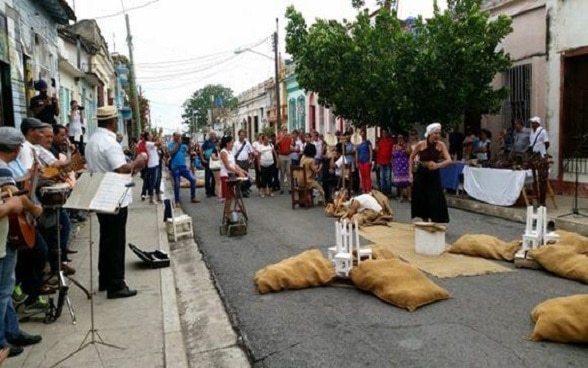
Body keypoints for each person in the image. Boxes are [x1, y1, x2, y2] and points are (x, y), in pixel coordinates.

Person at [85, 105, 148, 299]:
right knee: (115, 242)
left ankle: (105, 279)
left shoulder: (93, 140)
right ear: (113, 122)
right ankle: (116, 284)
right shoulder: (109, 143)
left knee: (106, 239)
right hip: (113, 195)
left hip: (101, 193)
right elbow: (121, 169)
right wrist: (139, 161)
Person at [0, 127, 43, 359]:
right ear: (16, 148)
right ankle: (2, 340)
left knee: (5, 288)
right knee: (4, 289)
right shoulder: (2, 167)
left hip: (5, 233)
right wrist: (33, 209)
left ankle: (12, 331)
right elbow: (16, 197)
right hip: (4, 235)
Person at [409, 123, 451, 223]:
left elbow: (448, 160)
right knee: (422, 196)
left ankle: (436, 219)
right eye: (435, 133)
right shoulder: (421, 144)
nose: (437, 135)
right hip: (422, 173)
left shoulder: (441, 145)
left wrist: (438, 165)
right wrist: (410, 173)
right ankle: (425, 219)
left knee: (436, 197)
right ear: (430, 134)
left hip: (434, 174)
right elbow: (411, 157)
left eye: (439, 133)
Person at [219, 135, 248, 219]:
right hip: (225, 175)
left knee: (231, 196)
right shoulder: (223, 152)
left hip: (231, 175)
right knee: (228, 196)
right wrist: (238, 172)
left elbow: (234, 165)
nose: (233, 144)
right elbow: (228, 166)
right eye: (231, 142)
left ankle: (229, 212)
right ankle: (226, 213)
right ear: (227, 143)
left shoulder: (230, 152)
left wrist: (242, 170)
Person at [168, 133, 199, 206]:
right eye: (177, 136)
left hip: (183, 166)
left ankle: (193, 197)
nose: (179, 138)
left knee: (193, 179)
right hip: (175, 167)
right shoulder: (171, 145)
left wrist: (190, 144)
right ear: (174, 137)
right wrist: (178, 145)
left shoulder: (183, 145)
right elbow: (171, 153)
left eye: (179, 137)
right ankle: (177, 201)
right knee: (177, 183)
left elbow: (189, 152)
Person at [528, 116, 551, 206]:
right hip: (534, 156)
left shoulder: (542, 131)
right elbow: (531, 145)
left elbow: (547, 143)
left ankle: (542, 201)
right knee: (535, 179)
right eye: (531, 123)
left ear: (538, 123)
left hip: (540, 157)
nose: (532, 124)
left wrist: (542, 152)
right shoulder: (531, 132)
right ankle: (537, 199)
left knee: (542, 179)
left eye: (533, 123)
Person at [232, 130, 254, 197]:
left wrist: (249, 159)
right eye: (241, 135)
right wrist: (235, 163)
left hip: (245, 162)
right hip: (239, 162)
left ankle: (245, 190)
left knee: (245, 177)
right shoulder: (235, 144)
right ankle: (239, 191)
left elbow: (251, 151)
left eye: (243, 135)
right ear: (238, 135)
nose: (242, 136)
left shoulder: (247, 143)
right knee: (239, 177)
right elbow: (233, 154)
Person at [392, 133, 411, 202]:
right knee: (399, 182)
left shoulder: (407, 145)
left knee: (407, 181)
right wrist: (393, 165)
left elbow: (409, 153)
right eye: (398, 138)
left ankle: (409, 196)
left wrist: (403, 147)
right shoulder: (394, 146)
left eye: (401, 138)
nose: (400, 139)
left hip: (405, 164)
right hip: (397, 165)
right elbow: (393, 155)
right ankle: (401, 196)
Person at [375, 129, 393, 197]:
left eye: (385, 133)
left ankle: (388, 192)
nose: (384, 134)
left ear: (387, 134)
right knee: (382, 177)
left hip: (388, 161)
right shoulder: (380, 142)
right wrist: (377, 162)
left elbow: (392, 152)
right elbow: (378, 153)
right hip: (381, 161)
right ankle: (383, 192)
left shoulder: (390, 141)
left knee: (388, 178)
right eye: (383, 133)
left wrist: (392, 160)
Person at [200, 131, 218, 198]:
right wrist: (202, 159)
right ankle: (208, 192)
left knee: (214, 177)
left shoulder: (216, 142)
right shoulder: (207, 142)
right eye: (212, 134)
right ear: (209, 135)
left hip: (215, 161)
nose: (213, 135)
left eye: (214, 134)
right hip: (208, 160)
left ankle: (213, 191)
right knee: (208, 176)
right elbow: (201, 149)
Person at [275, 126, 292, 194]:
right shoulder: (279, 137)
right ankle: (281, 188)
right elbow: (276, 144)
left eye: (286, 130)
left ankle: (290, 188)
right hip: (281, 156)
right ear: (281, 131)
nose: (285, 131)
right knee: (282, 172)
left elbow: (291, 144)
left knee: (288, 172)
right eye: (284, 130)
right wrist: (282, 137)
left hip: (288, 156)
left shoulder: (289, 137)